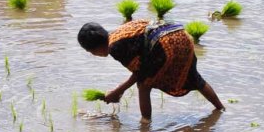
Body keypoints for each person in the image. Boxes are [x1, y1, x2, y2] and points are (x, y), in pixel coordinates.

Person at [77, 20, 224, 121]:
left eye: (91, 52)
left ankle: (145, 123)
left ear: (96, 48)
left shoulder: (115, 48)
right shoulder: (119, 32)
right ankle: (220, 109)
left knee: (143, 85)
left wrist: (118, 91)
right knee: (195, 78)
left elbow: (140, 72)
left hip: (166, 43)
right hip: (181, 35)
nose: (93, 55)